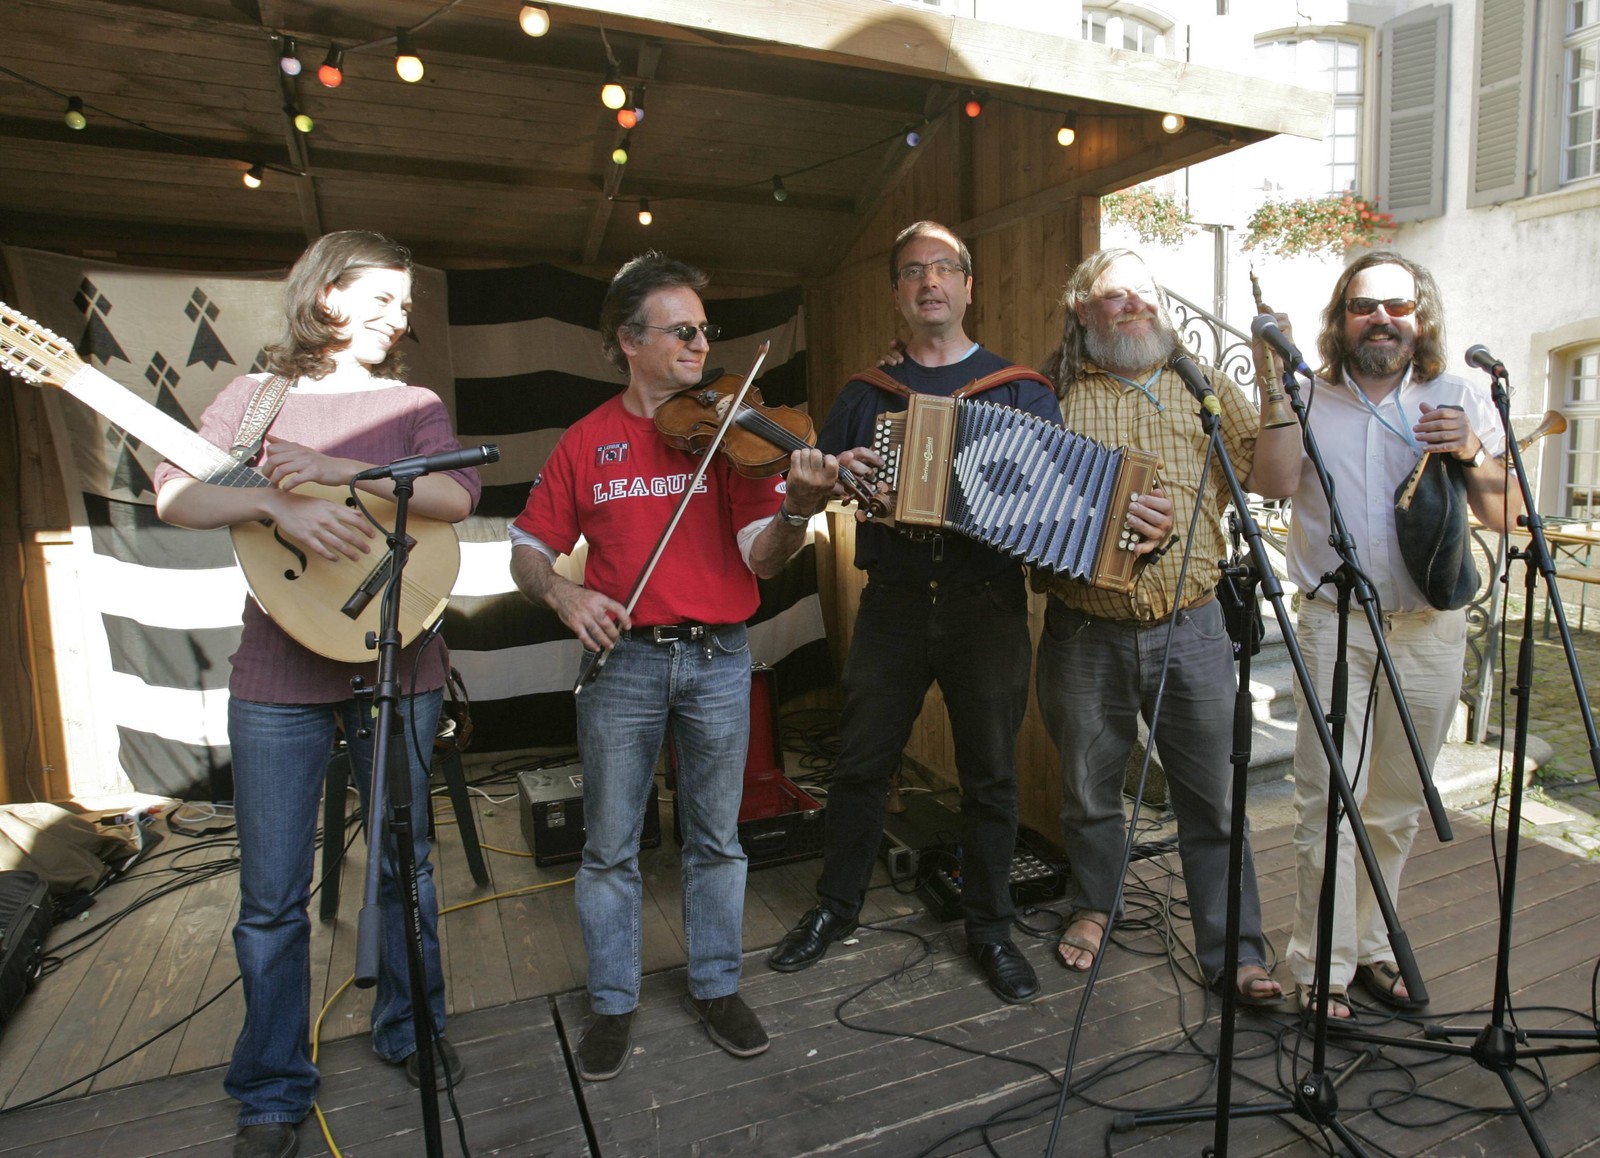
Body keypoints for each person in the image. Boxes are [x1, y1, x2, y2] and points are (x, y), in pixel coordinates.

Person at [154, 231, 481, 1158]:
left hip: (396, 663)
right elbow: (176, 495)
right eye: (382, 299)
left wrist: (347, 473)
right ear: (327, 295)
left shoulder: (412, 404)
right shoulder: (251, 401)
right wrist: (273, 503)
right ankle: (270, 1083)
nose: (399, 318)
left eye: (404, 305)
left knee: (407, 867)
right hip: (278, 673)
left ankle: (412, 1028)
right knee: (271, 895)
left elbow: (456, 497)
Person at [765, 221, 1128, 1005]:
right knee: (861, 766)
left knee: (991, 776)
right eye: (911, 271)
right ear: (898, 294)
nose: (928, 281)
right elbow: (819, 486)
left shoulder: (1020, 391)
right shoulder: (867, 393)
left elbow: (1056, 507)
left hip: (985, 606)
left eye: (943, 269)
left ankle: (990, 928)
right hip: (892, 604)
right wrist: (837, 473)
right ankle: (835, 908)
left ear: (968, 286)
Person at [508, 251, 840, 1081]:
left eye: (704, 330)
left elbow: (762, 557)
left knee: (717, 841)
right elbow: (527, 549)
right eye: (681, 331)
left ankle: (717, 985)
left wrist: (797, 513)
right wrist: (564, 594)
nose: (700, 344)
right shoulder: (587, 441)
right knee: (609, 846)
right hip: (622, 662)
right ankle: (612, 1001)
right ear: (630, 341)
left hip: (719, 659)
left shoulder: (732, 434)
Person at [1247, 252, 1517, 1017]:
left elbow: (1505, 514)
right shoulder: (1305, 396)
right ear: (1341, 319)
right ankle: (1321, 967)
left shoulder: (1458, 395)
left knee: (1396, 803)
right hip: (1336, 628)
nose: (1382, 319)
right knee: (1327, 803)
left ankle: (1370, 945)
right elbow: (1271, 483)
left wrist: (1472, 450)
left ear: (1420, 318)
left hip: (1430, 631)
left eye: (1398, 306)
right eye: (1365, 306)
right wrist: (1272, 385)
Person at [1033, 247, 1291, 1007]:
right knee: (1089, 791)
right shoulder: (1048, 393)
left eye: (1145, 293)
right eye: (1114, 294)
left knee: (1213, 800)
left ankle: (1234, 948)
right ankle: (1096, 904)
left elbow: (1274, 479)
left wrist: (1274, 381)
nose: (1134, 304)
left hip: (1193, 626)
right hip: (1083, 629)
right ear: (1081, 309)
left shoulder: (1201, 384)